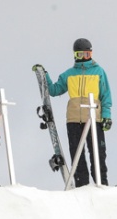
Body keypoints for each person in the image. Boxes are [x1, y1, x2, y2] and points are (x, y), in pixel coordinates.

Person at [34, 38, 112, 187]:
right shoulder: (69, 74)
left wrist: (106, 116)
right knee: (77, 154)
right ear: (75, 55)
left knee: (97, 153)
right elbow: (54, 90)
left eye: (87, 54)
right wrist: (45, 76)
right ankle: (82, 185)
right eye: (81, 54)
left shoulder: (99, 72)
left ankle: (101, 184)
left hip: (94, 118)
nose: (84, 58)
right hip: (74, 119)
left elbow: (106, 95)